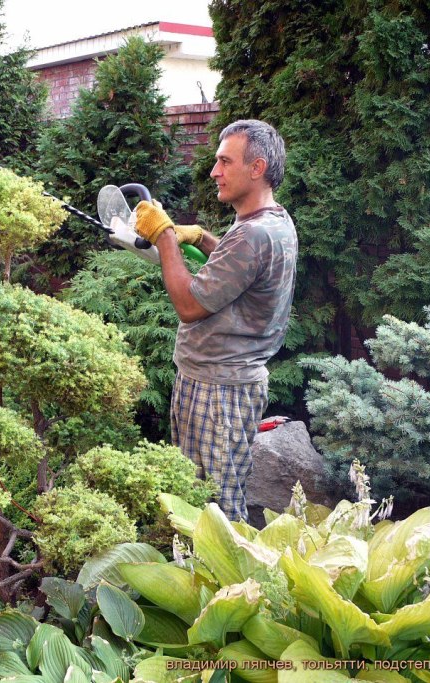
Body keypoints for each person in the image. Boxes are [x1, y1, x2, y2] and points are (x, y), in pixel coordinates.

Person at [134, 119, 297, 522]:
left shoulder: (254, 234)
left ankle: (231, 583)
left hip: (218, 390)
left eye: (225, 161)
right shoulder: (271, 221)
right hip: (219, 382)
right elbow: (236, 268)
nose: (214, 171)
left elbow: (190, 306)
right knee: (197, 499)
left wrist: (166, 236)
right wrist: (203, 237)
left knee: (216, 510)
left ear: (256, 168)